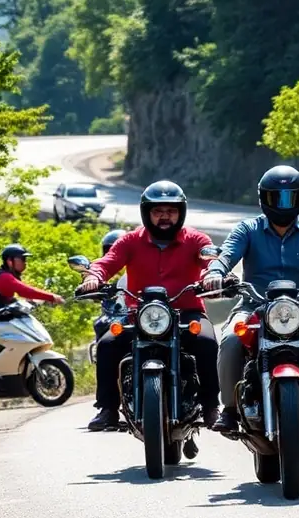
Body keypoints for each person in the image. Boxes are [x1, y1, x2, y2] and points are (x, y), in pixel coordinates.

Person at [203, 165, 299, 433]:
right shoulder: (248, 228)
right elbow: (226, 256)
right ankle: (230, 410)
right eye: (276, 198)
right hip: (253, 306)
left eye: (289, 198)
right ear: (264, 199)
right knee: (232, 340)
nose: (283, 205)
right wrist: (214, 272)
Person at [77, 181, 220, 435]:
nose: (165, 216)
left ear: (181, 212)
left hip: (186, 312)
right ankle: (108, 409)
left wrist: (213, 276)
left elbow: (211, 261)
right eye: (157, 211)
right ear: (146, 213)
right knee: (108, 344)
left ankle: (211, 406)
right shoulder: (130, 241)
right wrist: (93, 277)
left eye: (171, 210)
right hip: (138, 315)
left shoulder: (196, 239)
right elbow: (107, 262)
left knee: (208, 341)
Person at [0, 244, 65, 314]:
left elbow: (6, 299)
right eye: (23, 259)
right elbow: (25, 291)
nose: (25, 263)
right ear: (10, 261)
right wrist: (52, 297)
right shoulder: (4, 277)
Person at [92, 230, 128, 343]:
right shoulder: (103, 266)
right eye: (109, 249)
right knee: (101, 325)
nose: (114, 252)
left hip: (136, 310)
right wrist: (93, 287)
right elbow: (94, 277)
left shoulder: (134, 265)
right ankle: (101, 357)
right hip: (112, 313)